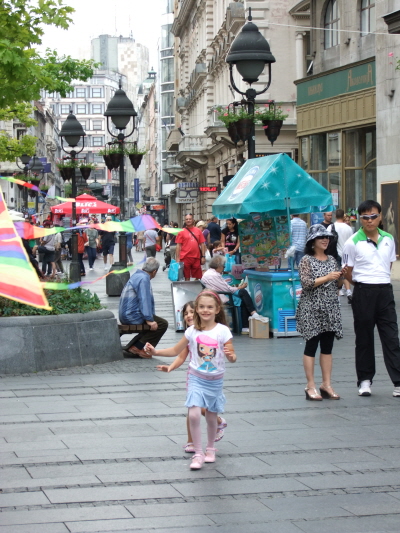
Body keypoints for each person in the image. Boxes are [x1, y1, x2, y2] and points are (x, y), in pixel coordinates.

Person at [145, 290, 237, 470]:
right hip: (196, 378)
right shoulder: (191, 331)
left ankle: (210, 449)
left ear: (217, 309)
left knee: (211, 417)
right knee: (194, 414)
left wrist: (231, 356)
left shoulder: (223, 331)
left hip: (215, 380)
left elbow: (232, 355)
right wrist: (155, 352)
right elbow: (175, 350)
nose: (205, 310)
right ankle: (198, 453)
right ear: (197, 310)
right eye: (201, 307)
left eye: (209, 307)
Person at [342, 200, 400, 398]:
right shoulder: (352, 242)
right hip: (363, 291)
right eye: (365, 217)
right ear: (360, 219)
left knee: (391, 337)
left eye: (373, 216)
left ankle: (398, 381)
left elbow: (389, 264)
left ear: (381, 216)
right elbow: (347, 272)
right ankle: (365, 381)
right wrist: (361, 284)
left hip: (384, 291)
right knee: (364, 338)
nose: (369, 220)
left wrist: (379, 281)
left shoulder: (389, 239)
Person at [296, 224, 344, 401]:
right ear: (312, 241)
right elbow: (306, 283)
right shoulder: (306, 260)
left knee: (328, 347)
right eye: (321, 237)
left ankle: (327, 384)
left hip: (330, 308)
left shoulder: (332, 259)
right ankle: (310, 385)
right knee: (311, 346)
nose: (325, 240)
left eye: (327, 237)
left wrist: (340, 277)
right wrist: (327, 277)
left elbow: (337, 285)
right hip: (311, 309)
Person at [179, 301, 228, 453]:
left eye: (191, 312)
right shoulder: (190, 333)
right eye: (186, 313)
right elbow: (180, 355)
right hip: (194, 376)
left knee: (201, 408)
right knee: (193, 408)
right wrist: (169, 367)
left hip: (211, 378)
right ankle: (191, 441)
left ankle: (218, 422)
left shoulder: (213, 332)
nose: (189, 315)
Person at [119, 257, 168, 358]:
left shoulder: (137, 275)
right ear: (154, 271)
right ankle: (138, 348)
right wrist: (149, 319)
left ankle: (133, 346)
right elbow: (144, 299)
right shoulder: (144, 278)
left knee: (154, 323)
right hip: (132, 315)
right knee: (162, 324)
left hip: (126, 314)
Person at [201, 255, 261, 334]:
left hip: (219, 294)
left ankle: (247, 323)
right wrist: (240, 287)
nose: (224, 268)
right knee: (243, 294)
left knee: (243, 295)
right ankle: (251, 316)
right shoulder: (214, 275)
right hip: (221, 296)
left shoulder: (210, 273)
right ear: (219, 266)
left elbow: (224, 287)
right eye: (223, 266)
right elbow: (228, 289)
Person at [176, 213, 206, 280]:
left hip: (196, 257)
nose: (188, 220)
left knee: (198, 276)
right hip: (185, 257)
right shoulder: (181, 231)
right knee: (186, 277)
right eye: (186, 219)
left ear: (193, 220)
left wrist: (203, 256)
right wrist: (177, 258)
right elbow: (178, 246)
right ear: (185, 220)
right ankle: (188, 289)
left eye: (190, 219)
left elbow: (202, 244)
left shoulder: (198, 231)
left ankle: (196, 289)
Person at [334, 209, 353, 303]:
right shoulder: (349, 228)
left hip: (335, 253)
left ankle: (337, 294)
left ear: (335, 216)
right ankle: (348, 291)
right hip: (346, 254)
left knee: (337, 274)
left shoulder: (331, 227)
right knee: (345, 273)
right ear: (343, 216)